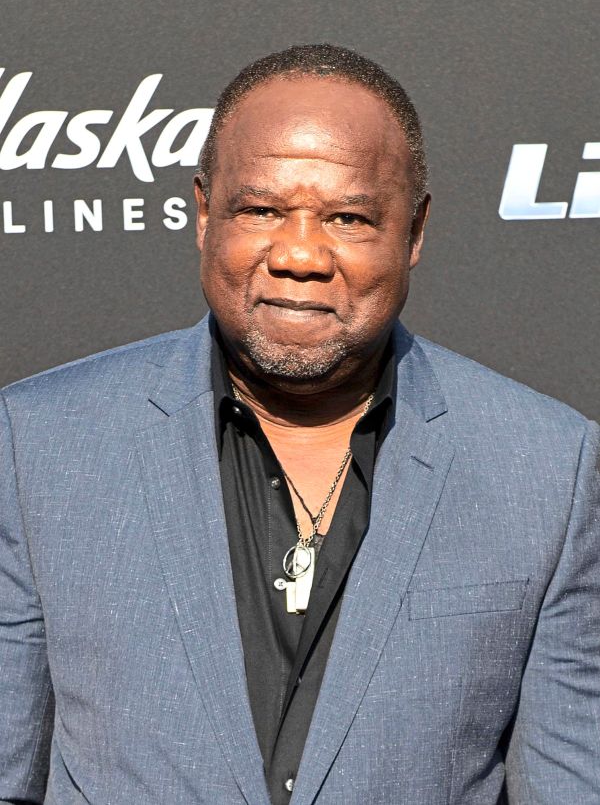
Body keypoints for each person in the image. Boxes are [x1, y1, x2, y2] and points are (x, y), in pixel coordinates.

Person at [0, 44, 598, 805]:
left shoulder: (546, 468)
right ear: (204, 214)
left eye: (348, 217)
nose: (301, 255)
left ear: (413, 231)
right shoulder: (38, 445)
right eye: (262, 211)